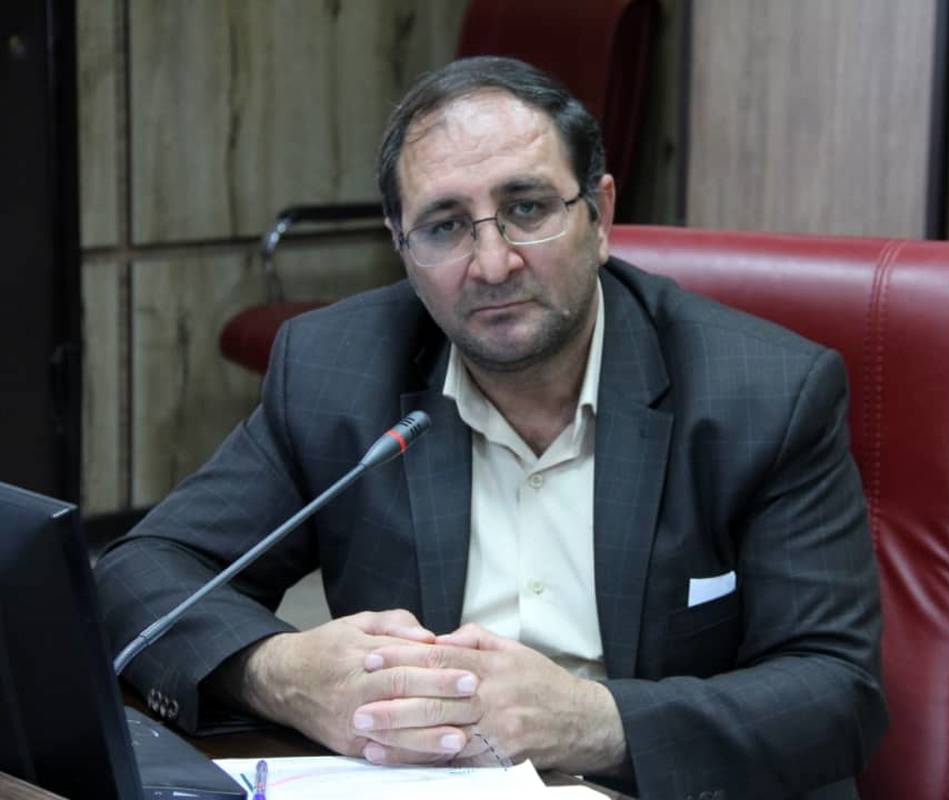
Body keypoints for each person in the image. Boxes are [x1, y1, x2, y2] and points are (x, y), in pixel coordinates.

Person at [96, 56, 887, 799]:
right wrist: (283, 673)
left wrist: (590, 720)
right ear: (401, 247)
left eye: (527, 209)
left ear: (601, 216)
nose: (493, 263)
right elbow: (143, 571)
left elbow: (835, 692)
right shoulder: (337, 370)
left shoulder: (764, 395)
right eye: (444, 225)